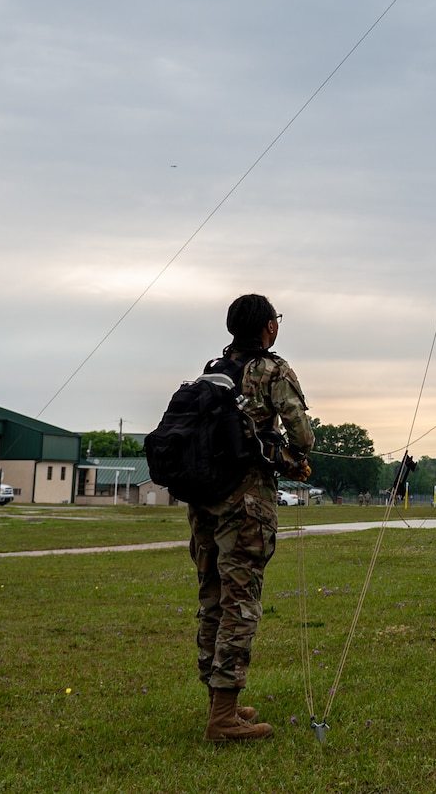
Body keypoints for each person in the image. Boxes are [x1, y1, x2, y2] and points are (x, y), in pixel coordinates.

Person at [190, 293, 313, 743]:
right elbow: (301, 432)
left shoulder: (213, 373)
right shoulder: (272, 370)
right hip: (245, 503)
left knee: (213, 600)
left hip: (204, 499)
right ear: (269, 327)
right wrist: (296, 459)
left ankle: (220, 703)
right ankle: (222, 720)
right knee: (241, 603)